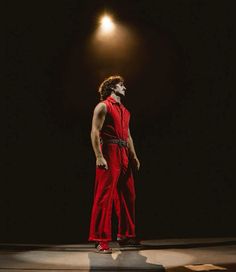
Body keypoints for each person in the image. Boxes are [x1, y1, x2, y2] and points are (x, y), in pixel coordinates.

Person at [88, 75, 141, 253]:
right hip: (109, 152)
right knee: (105, 197)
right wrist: (98, 155)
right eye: (121, 85)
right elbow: (95, 131)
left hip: (123, 153)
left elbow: (128, 135)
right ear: (112, 88)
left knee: (128, 196)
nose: (124, 87)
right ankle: (100, 239)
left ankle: (124, 235)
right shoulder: (103, 106)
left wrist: (133, 156)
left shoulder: (125, 111)